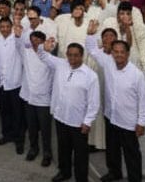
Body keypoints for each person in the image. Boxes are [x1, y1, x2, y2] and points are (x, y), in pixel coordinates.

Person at [86, 21, 145, 182]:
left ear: (128, 54)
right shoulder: (108, 63)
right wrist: (91, 34)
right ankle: (114, 172)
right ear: (112, 53)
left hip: (128, 122)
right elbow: (92, 50)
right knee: (112, 150)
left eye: (122, 52)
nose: (119, 55)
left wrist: (141, 122)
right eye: (116, 52)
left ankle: (135, 179)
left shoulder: (137, 75)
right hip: (111, 117)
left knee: (132, 154)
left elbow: (143, 101)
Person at [40, 39, 100, 182]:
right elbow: (43, 56)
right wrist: (44, 47)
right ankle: (64, 172)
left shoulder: (90, 76)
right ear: (66, 55)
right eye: (70, 55)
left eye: (76, 55)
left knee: (80, 154)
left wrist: (87, 122)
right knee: (63, 148)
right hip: (61, 117)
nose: (72, 58)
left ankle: (81, 178)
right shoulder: (61, 64)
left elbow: (94, 102)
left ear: (82, 56)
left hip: (78, 122)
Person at [17, 27, 54, 167]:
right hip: (29, 97)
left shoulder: (49, 56)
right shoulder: (26, 52)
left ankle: (47, 153)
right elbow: (18, 41)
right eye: (33, 41)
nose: (35, 44)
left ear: (43, 42)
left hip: (44, 100)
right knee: (31, 127)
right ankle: (33, 148)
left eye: (38, 41)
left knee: (45, 129)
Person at [0, 16, 25, 153]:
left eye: (7, 26)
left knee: (17, 112)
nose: (5, 29)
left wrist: (18, 36)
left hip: (14, 81)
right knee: (4, 111)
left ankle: (19, 139)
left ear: (11, 27)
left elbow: (21, 48)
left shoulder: (17, 39)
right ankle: (7, 135)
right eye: (2, 27)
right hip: (1, 82)